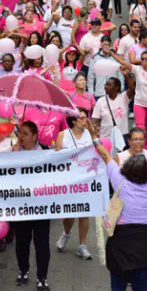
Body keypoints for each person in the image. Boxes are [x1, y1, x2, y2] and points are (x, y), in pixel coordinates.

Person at [86, 119, 147, 291]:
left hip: (120, 243)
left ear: (127, 169)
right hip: (145, 243)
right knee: (140, 288)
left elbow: (105, 155)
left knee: (117, 287)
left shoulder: (120, 183)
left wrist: (94, 136)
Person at [10, 121, 51, 291]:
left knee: (42, 243)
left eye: (25, 134)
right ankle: (23, 270)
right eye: (20, 133)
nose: (22, 137)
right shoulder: (14, 151)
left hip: (41, 207)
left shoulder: (47, 152)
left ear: (35, 136)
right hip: (21, 206)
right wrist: (13, 157)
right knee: (22, 242)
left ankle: (42, 277)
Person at [54, 109, 93, 259]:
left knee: (84, 213)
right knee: (70, 213)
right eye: (82, 118)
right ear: (74, 121)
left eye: (86, 118)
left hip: (85, 180)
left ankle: (82, 245)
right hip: (68, 180)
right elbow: (57, 158)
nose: (85, 121)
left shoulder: (90, 134)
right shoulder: (63, 135)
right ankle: (66, 234)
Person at [92, 72, 135, 140]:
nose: (105, 87)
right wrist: (95, 133)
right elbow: (95, 120)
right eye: (105, 85)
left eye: (109, 85)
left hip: (122, 136)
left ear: (116, 87)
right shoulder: (100, 101)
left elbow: (132, 88)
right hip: (105, 137)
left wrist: (126, 76)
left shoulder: (124, 97)